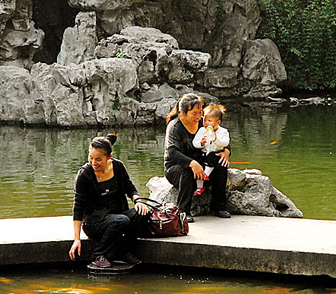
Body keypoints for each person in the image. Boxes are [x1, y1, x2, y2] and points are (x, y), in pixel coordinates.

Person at [69, 134, 150, 268]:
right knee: (122, 221)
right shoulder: (85, 174)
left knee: (143, 213)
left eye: (98, 159)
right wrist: (77, 239)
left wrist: (139, 201)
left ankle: (122, 252)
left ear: (108, 158)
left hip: (117, 215)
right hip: (95, 222)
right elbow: (78, 207)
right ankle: (99, 255)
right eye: (91, 158)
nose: (94, 163)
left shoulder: (117, 166)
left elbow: (130, 187)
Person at [164, 93, 231, 222]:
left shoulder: (203, 122)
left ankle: (219, 206)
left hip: (203, 165)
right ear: (183, 113)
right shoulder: (175, 127)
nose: (199, 116)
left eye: (200, 112)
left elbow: (222, 136)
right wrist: (192, 163)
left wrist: (227, 151)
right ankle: (183, 211)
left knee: (220, 163)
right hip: (177, 168)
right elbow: (172, 152)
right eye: (194, 113)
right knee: (187, 171)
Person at [192, 104, 230, 197]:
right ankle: (200, 187)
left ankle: (206, 175)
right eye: (205, 120)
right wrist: (201, 142)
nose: (206, 123)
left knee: (213, 157)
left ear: (218, 122)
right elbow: (195, 143)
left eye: (209, 121)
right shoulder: (202, 130)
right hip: (204, 155)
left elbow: (226, 143)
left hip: (215, 156)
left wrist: (216, 140)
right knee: (198, 164)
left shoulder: (223, 131)